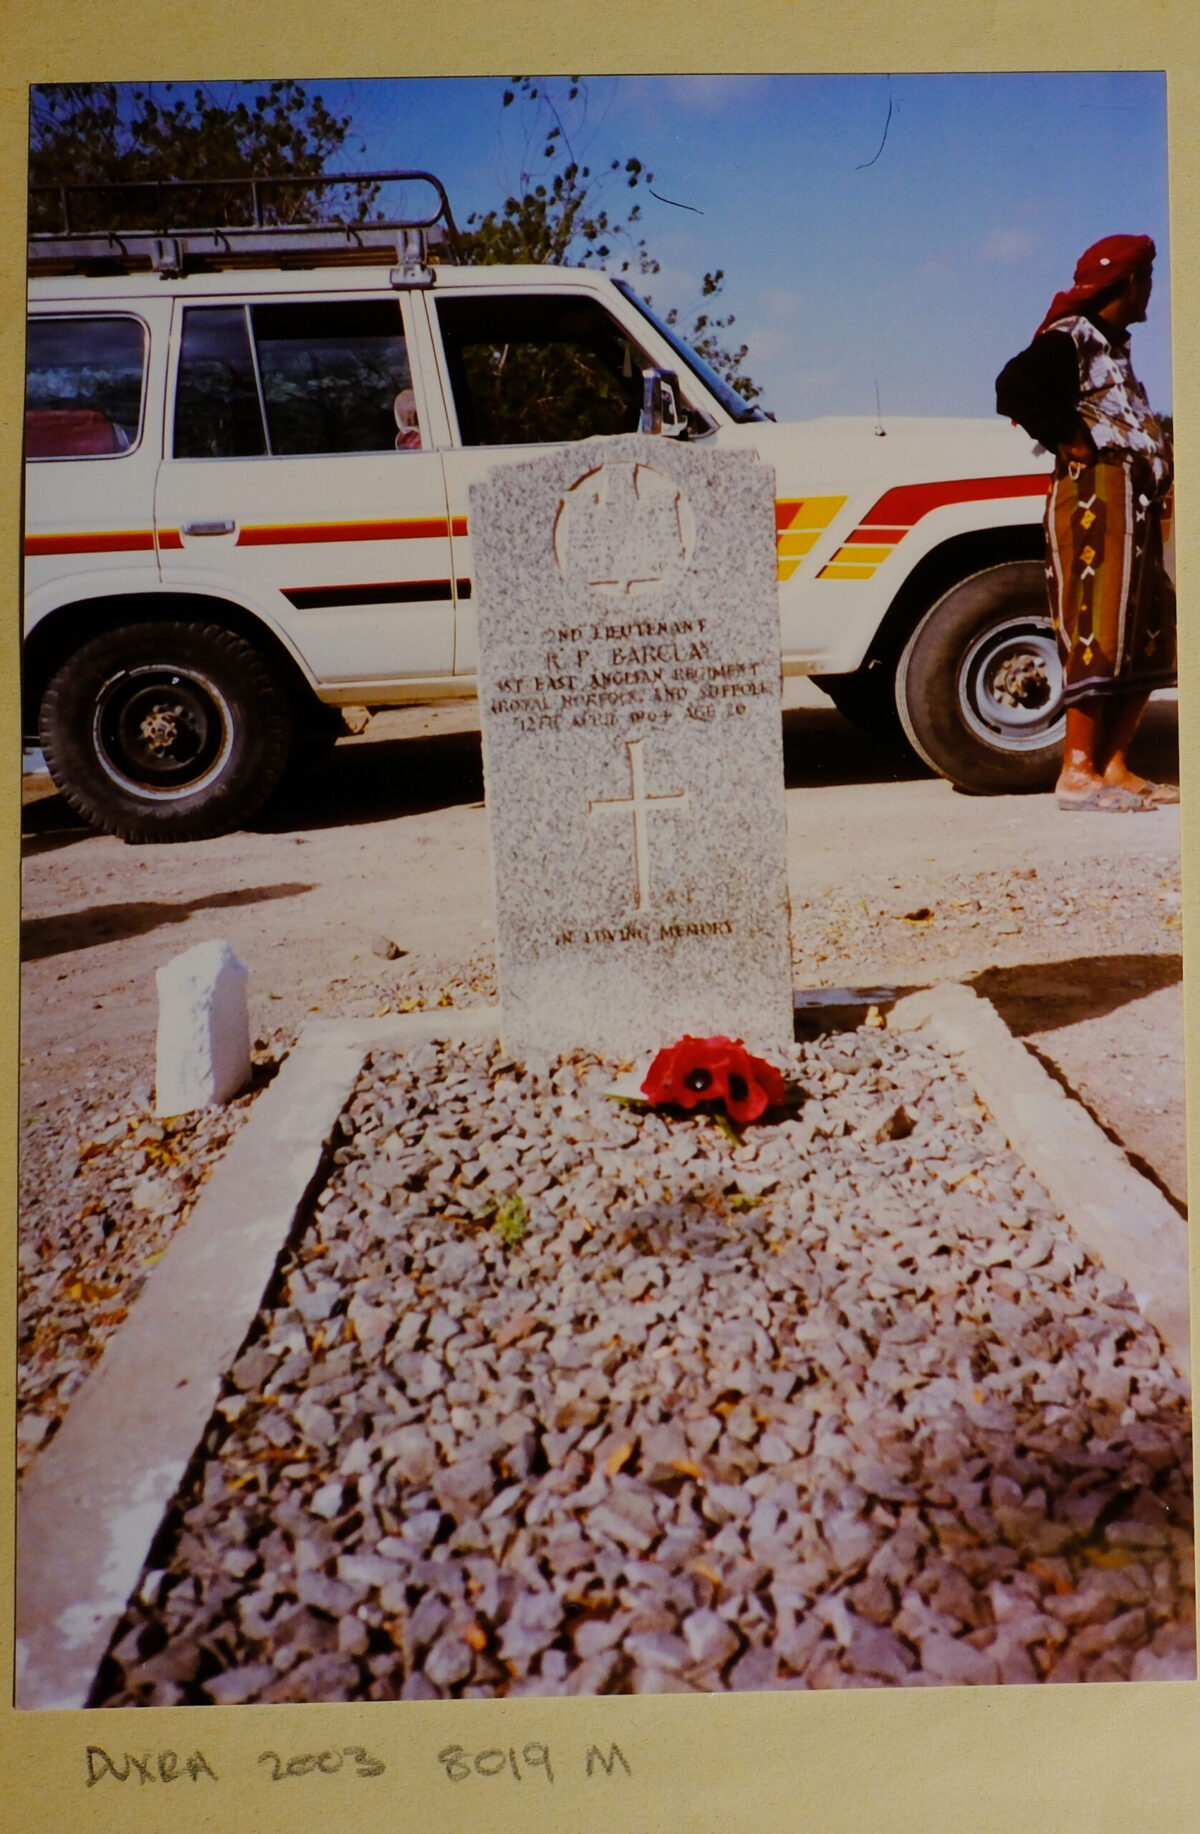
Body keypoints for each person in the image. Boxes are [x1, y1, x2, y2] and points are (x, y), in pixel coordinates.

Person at [996, 234, 1177, 810]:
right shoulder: (1069, 338)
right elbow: (1013, 387)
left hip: (1135, 501)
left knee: (1147, 628)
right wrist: (1070, 438)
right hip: (1097, 499)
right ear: (1129, 283)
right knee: (1097, 621)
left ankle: (1114, 764)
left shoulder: (1110, 344)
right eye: (1146, 277)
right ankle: (1076, 772)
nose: (1151, 288)